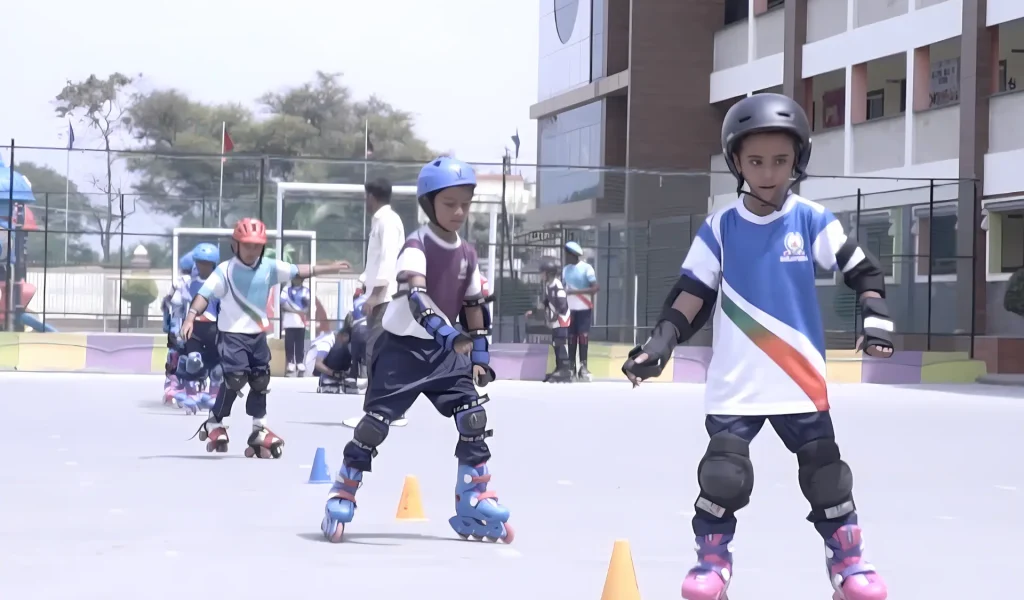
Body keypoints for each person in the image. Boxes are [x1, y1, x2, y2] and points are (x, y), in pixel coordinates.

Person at [620, 93, 894, 600]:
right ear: (737, 163)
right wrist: (659, 344)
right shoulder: (721, 226)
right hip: (736, 382)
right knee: (723, 476)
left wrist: (876, 318)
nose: (769, 172)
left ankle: (850, 565)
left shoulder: (810, 219)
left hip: (799, 380)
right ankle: (711, 564)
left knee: (827, 476)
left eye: (781, 161)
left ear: (799, 161)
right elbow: (691, 293)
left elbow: (863, 270)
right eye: (756, 161)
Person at [320, 157, 510, 544]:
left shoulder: (468, 253)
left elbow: (474, 308)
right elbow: (417, 299)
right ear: (429, 204)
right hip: (401, 350)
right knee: (374, 426)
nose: (459, 211)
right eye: (449, 203)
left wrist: (480, 357)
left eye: (464, 204)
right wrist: (449, 335)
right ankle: (343, 490)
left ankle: (472, 499)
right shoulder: (416, 244)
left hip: (445, 353)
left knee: (472, 418)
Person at [181, 218, 349, 458]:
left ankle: (258, 429)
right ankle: (214, 422)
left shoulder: (268, 267)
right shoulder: (225, 270)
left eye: (257, 246)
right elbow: (204, 294)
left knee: (261, 380)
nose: (252, 251)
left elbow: (299, 270)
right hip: (232, 335)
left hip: (257, 335)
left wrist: (329, 267)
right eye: (247, 245)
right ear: (235, 244)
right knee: (236, 378)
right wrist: (190, 316)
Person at [342, 178, 407, 426]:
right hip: (381, 294)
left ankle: (381, 411)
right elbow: (375, 260)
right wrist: (362, 282)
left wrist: (376, 295)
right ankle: (385, 409)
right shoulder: (380, 221)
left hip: (385, 298)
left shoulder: (388, 221)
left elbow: (389, 261)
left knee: (378, 352)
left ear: (371, 196)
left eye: (365, 196)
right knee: (380, 352)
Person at [170, 243, 223, 413]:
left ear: (213, 264)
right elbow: (178, 306)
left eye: (206, 263)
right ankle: (191, 395)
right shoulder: (187, 283)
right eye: (199, 262)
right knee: (192, 361)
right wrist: (175, 327)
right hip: (193, 327)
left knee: (217, 368)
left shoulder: (220, 284)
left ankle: (214, 396)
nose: (202, 266)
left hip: (215, 328)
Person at [525, 256, 573, 383]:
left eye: (542, 273)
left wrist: (554, 316)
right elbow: (546, 301)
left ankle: (565, 370)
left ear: (548, 273)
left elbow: (562, 304)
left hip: (562, 318)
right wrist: (534, 311)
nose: (541, 275)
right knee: (555, 343)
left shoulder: (557, 285)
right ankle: (559, 368)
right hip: (556, 319)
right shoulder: (549, 285)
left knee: (560, 342)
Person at [562, 241, 599, 381]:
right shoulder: (565, 270)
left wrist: (575, 292)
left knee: (583, 337)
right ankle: (571, 367)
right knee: (571, 337)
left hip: (584, 308)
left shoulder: (587, 268)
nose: (565, 257)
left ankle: (583, 367)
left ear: (573, 255)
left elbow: (595, 288)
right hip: (570, 309)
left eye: (567, 254)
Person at [161, 252, 195, 404]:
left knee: (174, 355)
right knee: (195, 356)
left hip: (176, 327)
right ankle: (193, 388)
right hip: (195, 328)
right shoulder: (201, 283)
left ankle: (171, 387)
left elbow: (166, 306)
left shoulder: (177, 283)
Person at [281, 275, 311, 377]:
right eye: (295, 278)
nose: (297, 280)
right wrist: (297, 311)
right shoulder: (286, 289)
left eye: (299, 278)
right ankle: (290, 363)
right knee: (289, 342)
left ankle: (299, 363)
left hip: (300, 322)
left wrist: (304, 312)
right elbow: (282, 303)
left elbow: (308, 304)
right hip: (289, 320)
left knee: (300, 343)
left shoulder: (306, 290)